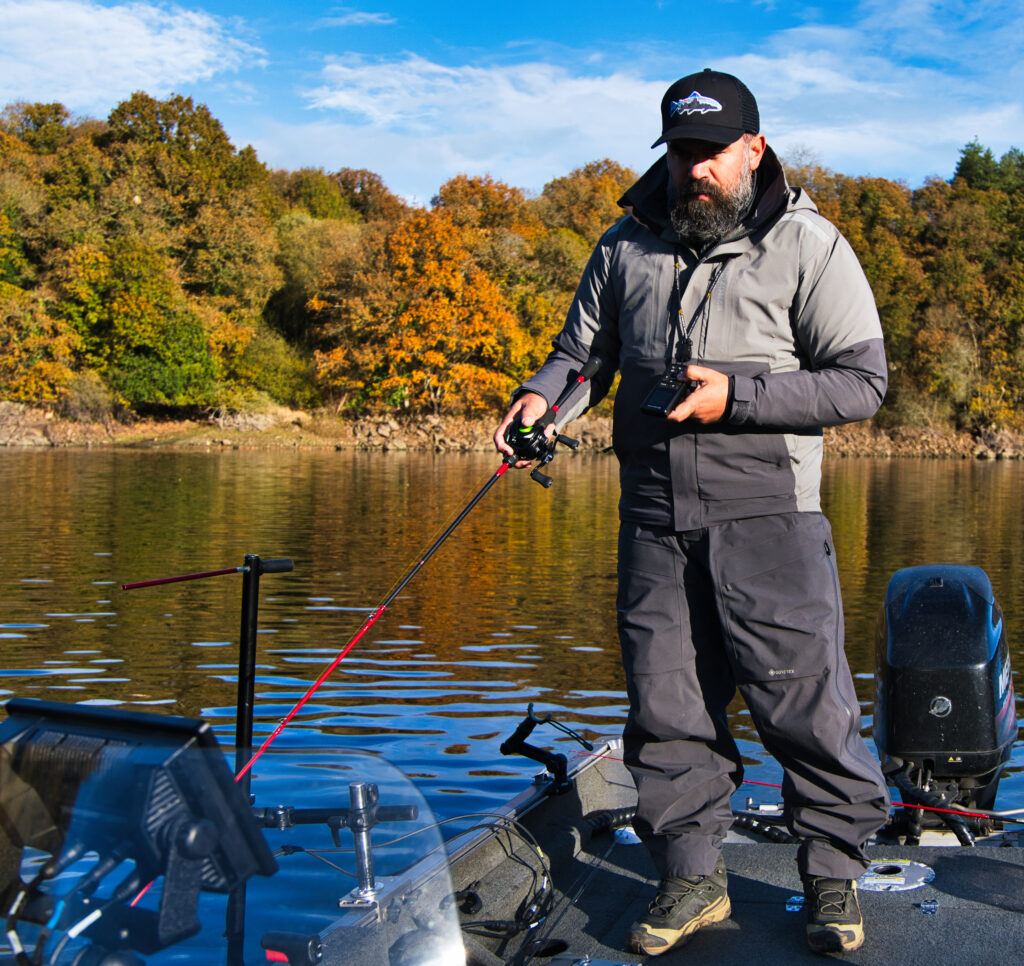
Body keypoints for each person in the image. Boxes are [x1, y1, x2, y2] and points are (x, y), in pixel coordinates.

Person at [493, 68, 891, 957]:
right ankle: (691, 876)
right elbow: (581, 358)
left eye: (712, 152)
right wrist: (541, 402)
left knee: (806, 708)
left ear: (754, 148)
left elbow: (862, 383)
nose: (696, 169)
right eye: (681, 152)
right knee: (667, 707)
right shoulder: (624, 245)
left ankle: (833, 878)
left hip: (771, 517)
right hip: (652, 519)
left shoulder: (809, 244)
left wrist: (736, 397)